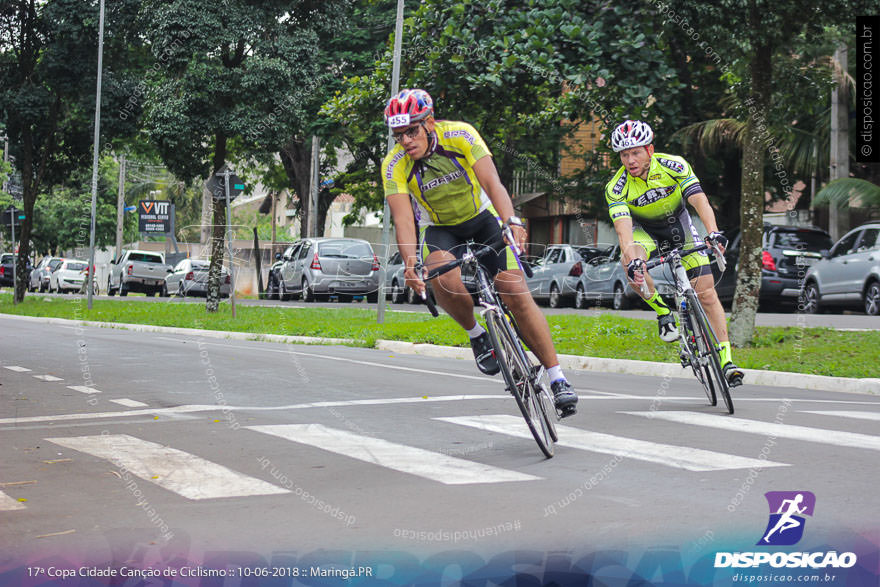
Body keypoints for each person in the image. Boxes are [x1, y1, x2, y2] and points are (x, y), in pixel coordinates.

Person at [381, 89, 578, 416]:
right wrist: (410, 262)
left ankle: (558, 378)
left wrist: (511, 220)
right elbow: (403, 218)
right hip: (442, 228)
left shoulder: (461, 135)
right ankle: (477, 334)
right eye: (398, 134)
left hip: (483, 218)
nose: (405, 140)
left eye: (412, 130)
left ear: (429, 122)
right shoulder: (394, 165)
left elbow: (492, 182)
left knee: (515, 292)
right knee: (442, 279)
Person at [604, 119, 744, 386]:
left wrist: (713, 232)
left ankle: (726, 361)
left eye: (635, 152)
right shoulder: (616, 188)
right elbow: (624, 231)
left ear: (650, 150)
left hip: (679, 229)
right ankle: (662, 312)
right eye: (624, 154)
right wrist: (634, 260)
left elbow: (698, 198)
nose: (630, 159)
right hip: (644, 233)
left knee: (706, 293)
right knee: (630, 261)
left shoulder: (674, 165)